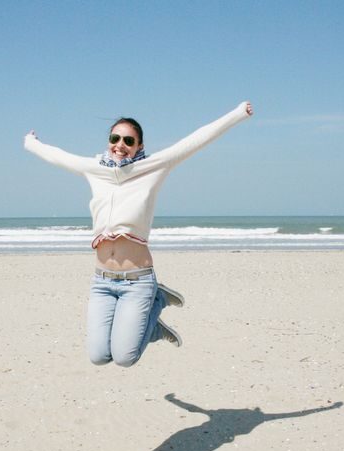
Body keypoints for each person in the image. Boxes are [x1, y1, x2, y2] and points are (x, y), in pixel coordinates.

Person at [24, 101, 254, 367]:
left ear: (139, 146)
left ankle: (157, 302)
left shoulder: (154, 167)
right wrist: (31, 143)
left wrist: (237, 114)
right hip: (102, 281)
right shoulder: (94, 169)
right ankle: (152, 324)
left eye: (128, 140)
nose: (120, 144)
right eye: (115, 138)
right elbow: (58, 156)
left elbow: (196, 140)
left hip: (137, 280)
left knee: (125, 358)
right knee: (99, 357)